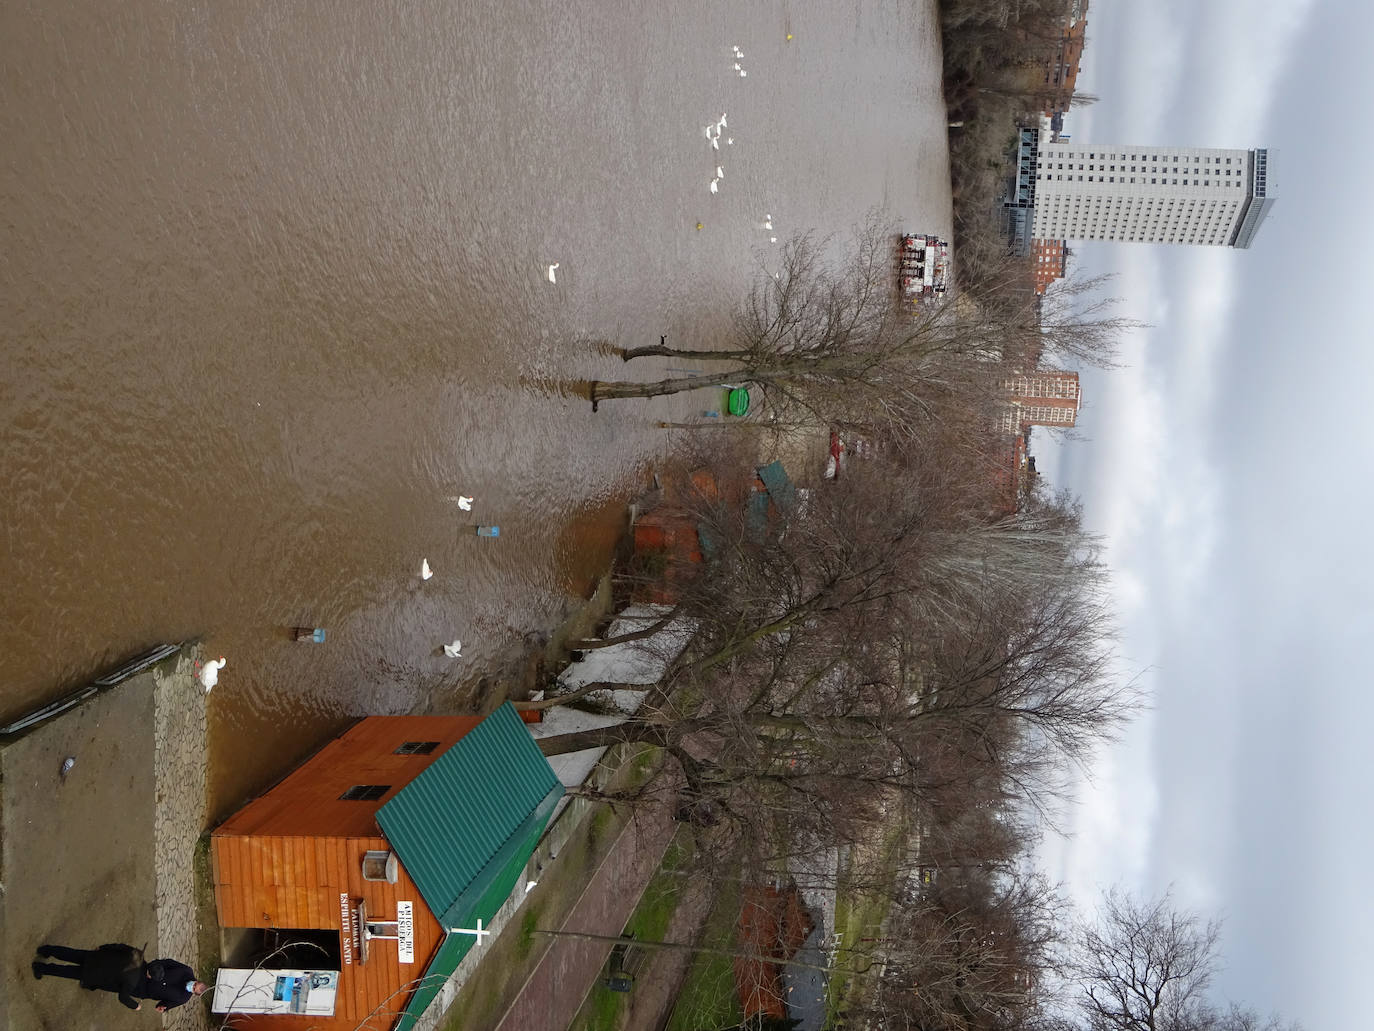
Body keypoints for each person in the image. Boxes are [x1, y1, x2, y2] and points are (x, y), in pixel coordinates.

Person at [31, 942, 209, 1011]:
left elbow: (122, 947)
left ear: (194, 994)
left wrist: (164, 1007)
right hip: (96, 974)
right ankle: (41, 967)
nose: (191, 987)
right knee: (68, 971)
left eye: (194, 990)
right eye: (195, 985)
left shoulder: (136, 957)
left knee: (71, 954)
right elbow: (123, 996)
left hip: (100, 960)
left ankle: (47, 951)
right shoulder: (130, 983)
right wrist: (136, 1006)